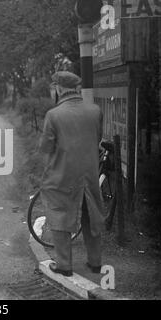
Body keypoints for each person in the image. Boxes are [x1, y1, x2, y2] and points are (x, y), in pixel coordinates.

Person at [39, 71, 105, 277]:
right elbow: (97, 139)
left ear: (58, 88)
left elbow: (46, 148)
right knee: (91, 214)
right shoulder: (95, 111)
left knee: (60, 214)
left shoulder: (54, 115)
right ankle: (95, 262)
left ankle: (64, 265)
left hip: (62, 174)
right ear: (76, 88)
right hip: (90, 173)